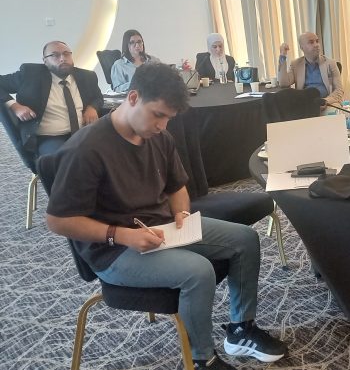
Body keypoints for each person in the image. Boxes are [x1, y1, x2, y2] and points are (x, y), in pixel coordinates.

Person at [45, 63, 287, 370]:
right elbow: (57, 221)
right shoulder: (86, 149)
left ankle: (241, 330)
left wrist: (181, 213)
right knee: (198, 272)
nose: (162, 125)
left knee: (246, 239)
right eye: (158, 115)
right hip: (113, 251)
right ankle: (203, 359)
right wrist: (121, 235)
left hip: (161, 229)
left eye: (169, 118)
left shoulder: (158, 137)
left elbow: (176, 187)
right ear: (133, 97)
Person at [0, 40, 103, 156]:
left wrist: (92, 107)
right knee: (66, 158)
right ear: (45, 61)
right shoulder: (29, 74)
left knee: (111, 151)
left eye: (66, 54)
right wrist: (14, 106)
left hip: (83, 132)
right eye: (55, 55)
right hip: (50, 137)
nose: (62, 58)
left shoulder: (87, 76)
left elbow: (98, 97)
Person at [278, 32, 344, 106]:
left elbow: (339, 90)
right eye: (311, 42)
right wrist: (283, 55)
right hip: (304, 105)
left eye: (317, 41)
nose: (316, 45)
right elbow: (283, 83)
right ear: (302, 48)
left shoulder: (330, 63)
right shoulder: (295, 64)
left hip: (326, 103)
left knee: (335, 108)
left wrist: (325, 101)